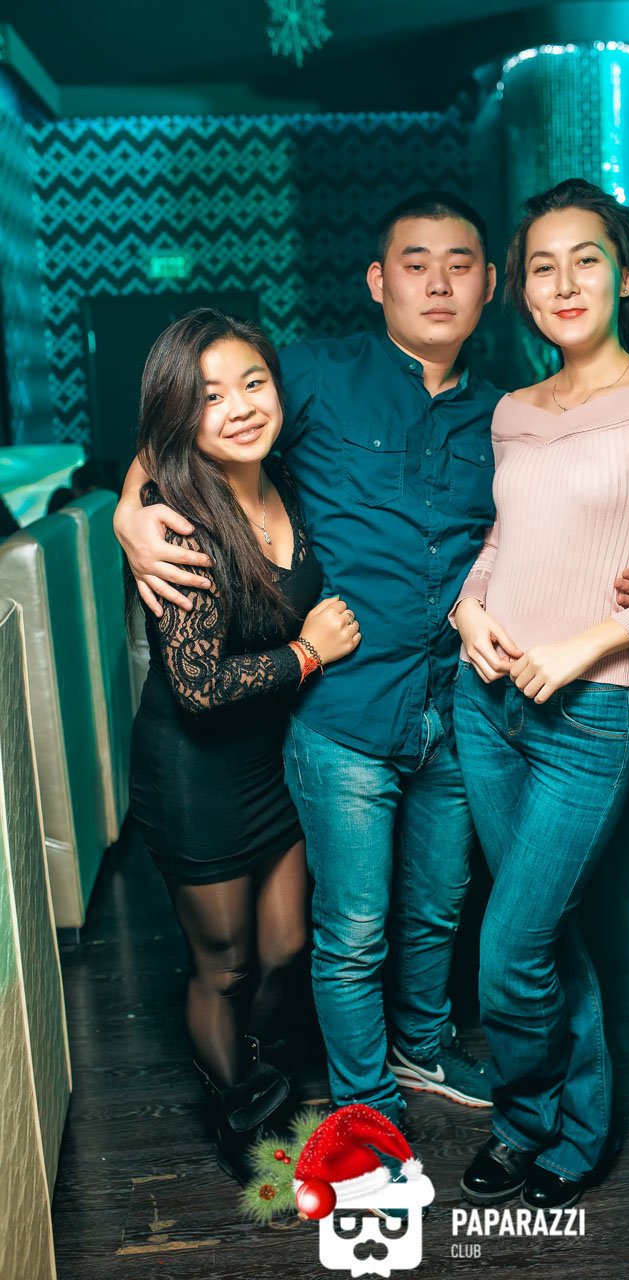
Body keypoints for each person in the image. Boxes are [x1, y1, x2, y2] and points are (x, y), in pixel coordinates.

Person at [115, 192, 629, 1128]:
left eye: (460, 265)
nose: (438, 283)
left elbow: (558, 530)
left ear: (490, 287)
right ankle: (364, 1101)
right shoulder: (310, 376)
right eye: (416, 264)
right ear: (379, 282)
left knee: (436, 909)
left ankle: (421, 1046)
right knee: (353, 929)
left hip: (458, 709)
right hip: (341, 713)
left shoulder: (512, 416)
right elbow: (194, 417)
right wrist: (134, 511)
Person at [452, 178, 629, 1211]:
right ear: (521, 288)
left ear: (624, 277)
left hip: (586, 717)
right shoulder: (512, 411)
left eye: (586, 259)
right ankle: (555, 1126)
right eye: (542, 265)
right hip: (485, 703)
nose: (563, 281)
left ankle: (545, 1123)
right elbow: (505, 539)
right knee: (543, 937)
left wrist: (587, 645)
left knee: (510, 946)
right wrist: (467, 609)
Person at [126, 307, 359, 1181]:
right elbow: (196, 684)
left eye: (252, 383)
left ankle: (257, 1063)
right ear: (179, 415)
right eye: (210, 396)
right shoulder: (177, 519)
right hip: (194, 774)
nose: (239, 407)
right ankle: (238, 1107)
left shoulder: (285, 478)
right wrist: (308, 653)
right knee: (222, 966)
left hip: (271, 761)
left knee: (288, 945)